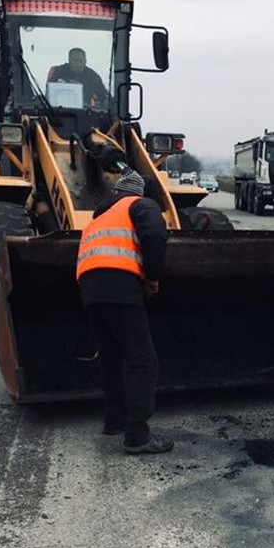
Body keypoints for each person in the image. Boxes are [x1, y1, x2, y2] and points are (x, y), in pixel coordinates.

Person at [76, 167, 172, 454]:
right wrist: (152, 276)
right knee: (142, 361)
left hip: (90, 290)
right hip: (120, 287)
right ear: (137, 192)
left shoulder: (97, 219)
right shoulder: (140, 205)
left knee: (111, 358)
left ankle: (114, 421)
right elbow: (154, 236)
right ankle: (137, 436)